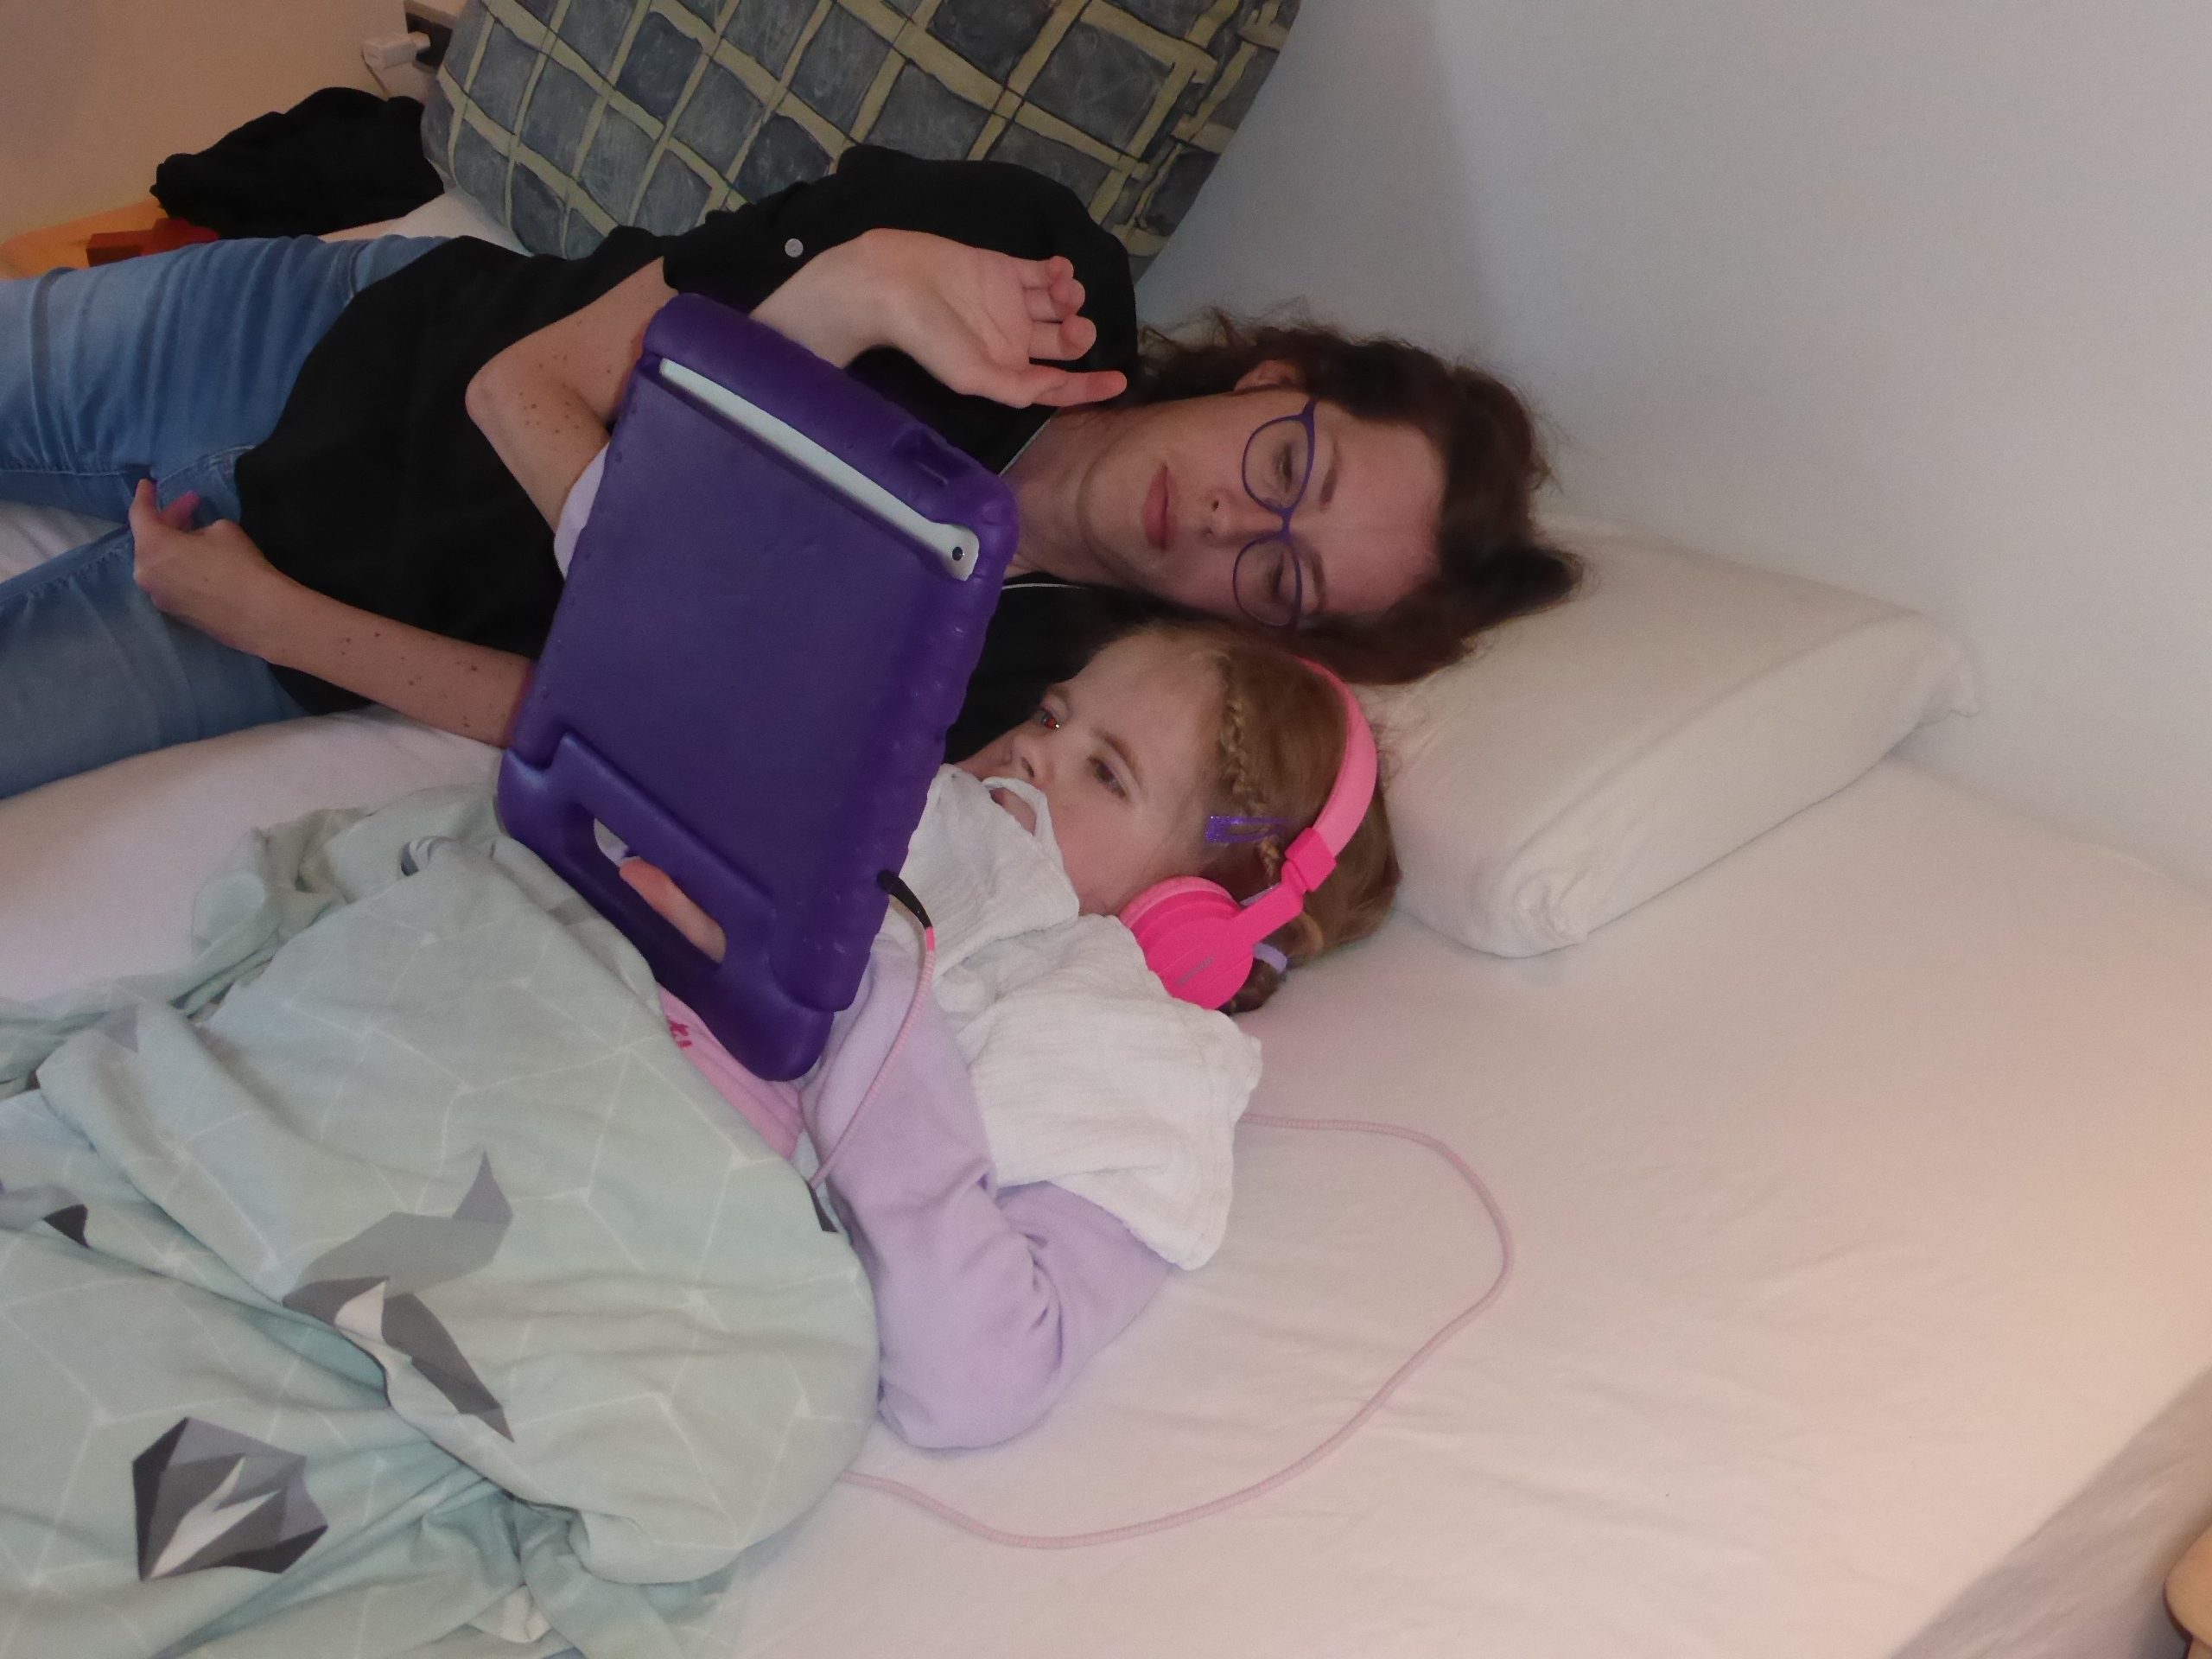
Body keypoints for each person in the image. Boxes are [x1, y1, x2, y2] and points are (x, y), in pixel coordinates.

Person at [0, 145, 1573, 799]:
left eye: (1280, 574)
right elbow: (519, 383)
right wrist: (860, 279)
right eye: (1287, 464)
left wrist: (271, 621)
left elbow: (597, 718)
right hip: (341, 337)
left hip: (311, 605)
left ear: (1262, 631)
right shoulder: (1032, 266)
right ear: (1275, 379)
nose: (1235, 517)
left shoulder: (1018, 686)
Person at [635, 619, 1398, 1446]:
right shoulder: (872, 821)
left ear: (1199, 918)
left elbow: (980, 1374)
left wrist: (853, 982)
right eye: (1050, 714)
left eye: (1105, 773)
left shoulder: (1127, 1062)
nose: (1031, 749)